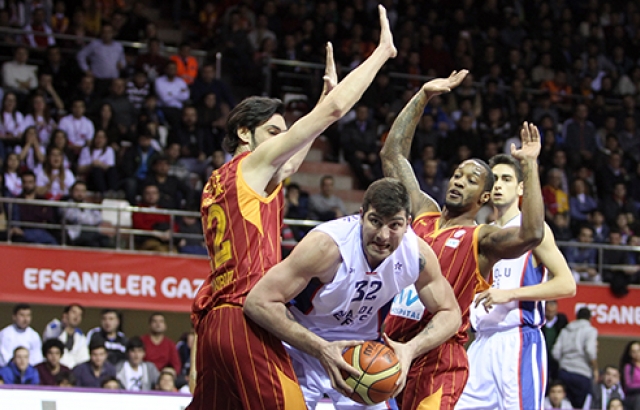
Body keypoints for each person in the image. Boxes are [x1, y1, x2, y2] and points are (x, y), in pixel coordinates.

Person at [188, 7, 397, 409]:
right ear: (244, 133)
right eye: (273, 132)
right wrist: (381, 54)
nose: (282, 141)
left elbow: (296, 156)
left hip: (215, 321)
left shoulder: (225, 179)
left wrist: (322, 101)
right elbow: (334, 113)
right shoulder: (252, 164)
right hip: (244, 314)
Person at [380, 74, 546, 410]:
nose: (459, 182)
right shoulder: (422, 213)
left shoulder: (481, 239)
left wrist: (529, 167)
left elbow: (532, 234)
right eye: (457, 174)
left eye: (471, 181)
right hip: (389, 347)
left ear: (484, 196)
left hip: (439, 360)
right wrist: (423, 96)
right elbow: (392, 152)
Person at [245, 178, 461, 409]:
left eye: (394, 225)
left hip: (363, 356)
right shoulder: (326, 247)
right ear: (361, 216)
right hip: (302, 348)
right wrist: (320, 348)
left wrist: (410, 349)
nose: (383, 236)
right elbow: (258, 302)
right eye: (375, 222)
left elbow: (451, 313)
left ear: (408, 224)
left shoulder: (416, 255)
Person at [457, 153, 576, 410]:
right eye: (495, 179)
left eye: (507, 179)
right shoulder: (481, 232)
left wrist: (510, 294)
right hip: (480, 343)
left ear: (521, 187)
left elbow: (567, 284)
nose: (499, 184)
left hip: (518, 341)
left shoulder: (533, 230)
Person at [552, 307, 599, 409]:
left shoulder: (566, 330)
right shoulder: (590, 330)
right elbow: (590, 350)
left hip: (564, 373)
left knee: (563, 405)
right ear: (590, 318)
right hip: (581, 374)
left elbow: (555, 352)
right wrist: (595, 368)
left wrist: (564, 363)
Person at [42, 304, 89, 369]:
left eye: (80, 315)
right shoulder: (54, 326)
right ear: (65, 314)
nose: (76, 316)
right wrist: (63, 326)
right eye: (74, 312)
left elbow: (84, 359)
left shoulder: (80, 336)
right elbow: (50, 339)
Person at [543, 300, 569, 385]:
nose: (550, 314)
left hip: (556, 358)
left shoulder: (562, 321)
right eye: (548, 311)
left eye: (553, 312)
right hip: (543, 355)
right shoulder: (540, 321)